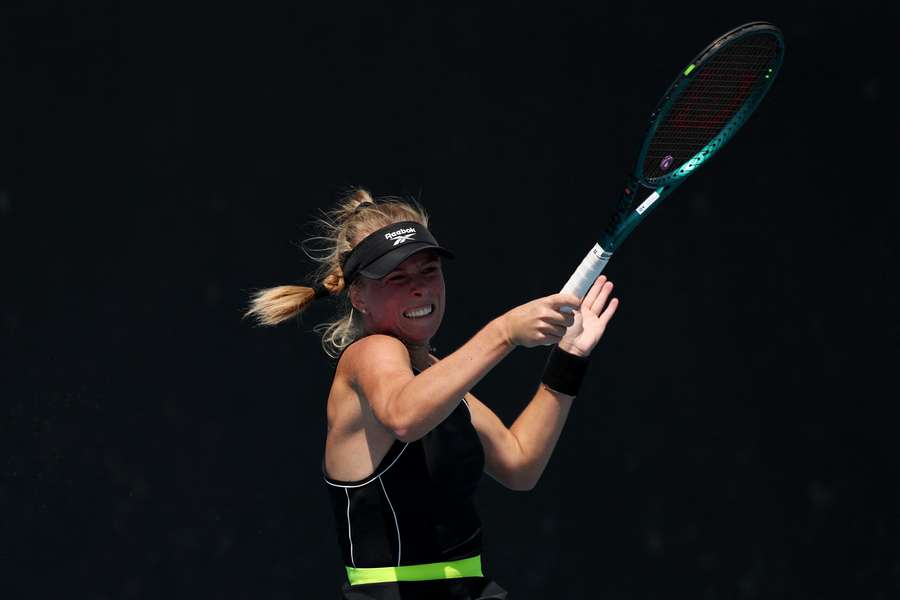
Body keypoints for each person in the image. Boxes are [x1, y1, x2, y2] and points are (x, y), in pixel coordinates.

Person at [245, 189, 619, 599]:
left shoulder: (436, 376)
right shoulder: (370, 353)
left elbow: (519, 464)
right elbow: (405, 417)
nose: (420, 288)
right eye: (397, 278)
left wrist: (569, 357)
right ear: (358, 297)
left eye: (429, 271)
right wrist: (504, 332)